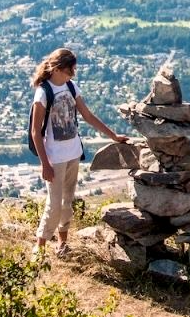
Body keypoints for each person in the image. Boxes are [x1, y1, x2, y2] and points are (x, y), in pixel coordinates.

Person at [30, 47, 128, 257]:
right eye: (70, 70)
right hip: (54, 158)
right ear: (57, 68)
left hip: (73, 153)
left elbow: (88, 116)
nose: (72, 74)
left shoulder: (71, 87)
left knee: (67, 202)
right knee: (54, 205)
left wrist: (113, 136)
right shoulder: (43, 92)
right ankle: (39, 247)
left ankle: (62, 243)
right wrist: (44, 163)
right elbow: (35, 132)